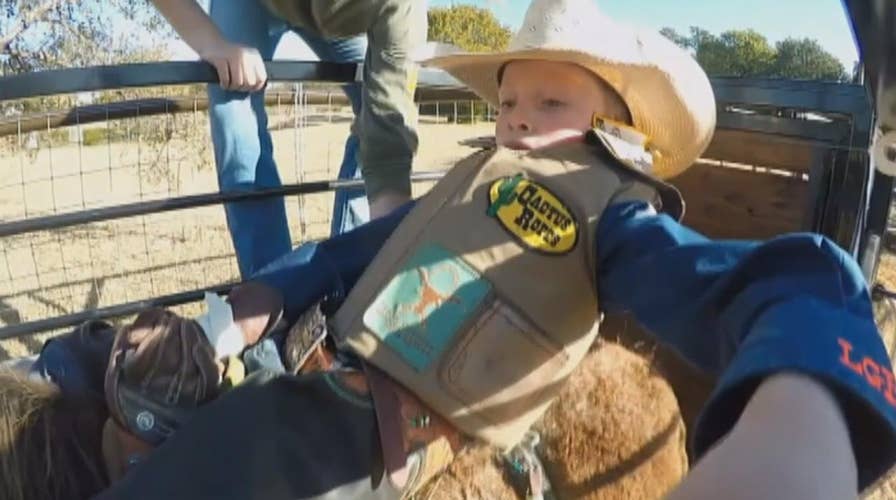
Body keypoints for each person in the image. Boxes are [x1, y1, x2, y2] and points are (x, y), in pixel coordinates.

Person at [5, 0, 896, 498]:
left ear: (617, 133)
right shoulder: (474, 184)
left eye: (551, 106)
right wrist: (234, 314)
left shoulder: (614, 221)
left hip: (372, 433)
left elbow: (764, 283)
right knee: (101, 383)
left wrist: (805, 407)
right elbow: (348, 252)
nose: (517, 123)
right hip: (320, 365)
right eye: (509, 105)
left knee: (202, 471)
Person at [149, 0, 427, 278]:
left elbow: (389, 128)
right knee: (233, 108)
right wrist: (212, 44)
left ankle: (352, 270)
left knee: (376, 108)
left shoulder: (403, 7)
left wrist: (388, 255)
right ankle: (274, 292)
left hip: (345, 16)